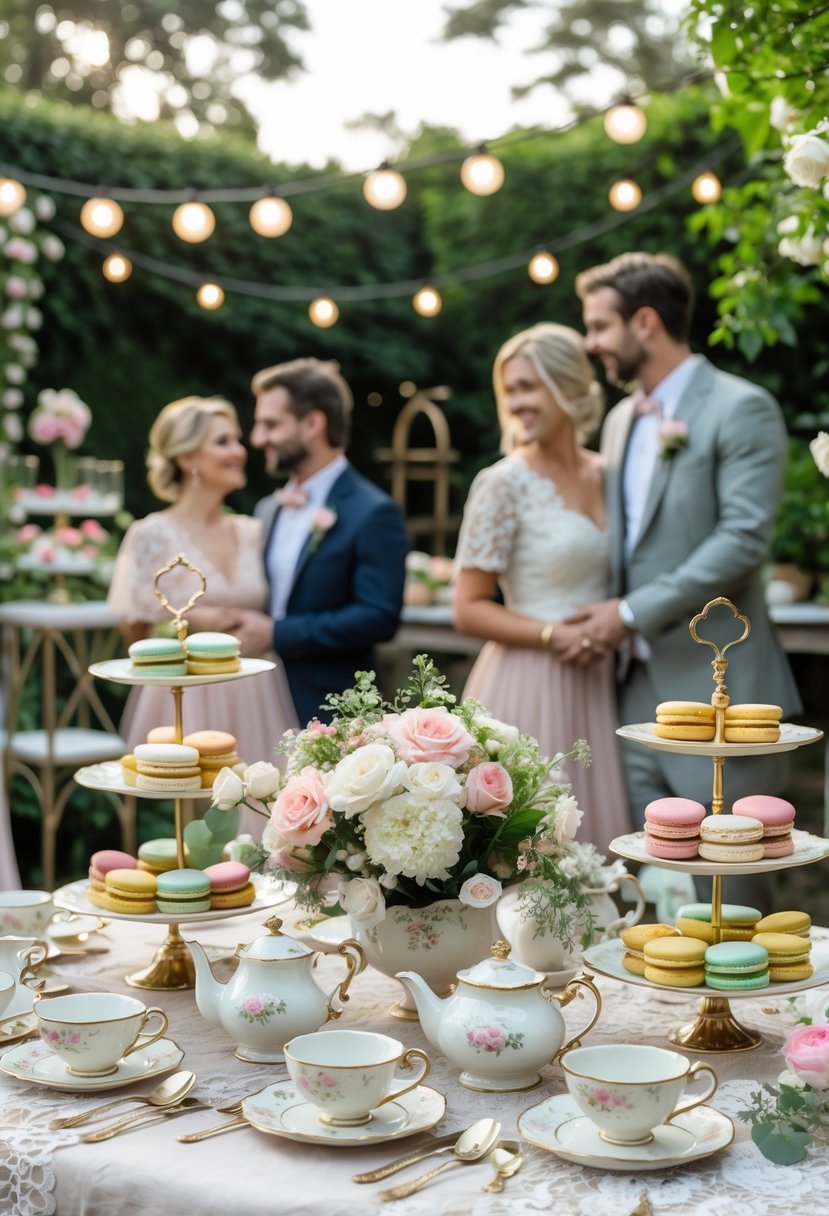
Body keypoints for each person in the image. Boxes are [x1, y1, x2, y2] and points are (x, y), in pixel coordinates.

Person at [569, 251, 802, 832]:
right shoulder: (621, 420)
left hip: (724, 693)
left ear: (644, 322)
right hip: (630, 691)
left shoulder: (740, 406)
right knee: (642, 866)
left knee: (733, 877)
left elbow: (744, 539)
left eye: (599, 325)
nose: (590, 341)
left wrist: (628, 613)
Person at [452, 323, 630, 852]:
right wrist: (554, 634)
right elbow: (468, 608)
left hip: (595, 682)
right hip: (526, 682)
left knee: (591, 852)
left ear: (572, 387)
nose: (517, 403)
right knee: (528, 851)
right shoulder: (502, 482)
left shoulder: (611, 475)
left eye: (529, 386)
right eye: (510, 391)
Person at [107, 396, 299, 835]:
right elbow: (134, 635)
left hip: (256, 687)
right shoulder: (150, 535)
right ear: (188, 455)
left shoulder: (255, 531)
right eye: (224, 441)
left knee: (264, 815)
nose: (240, 450)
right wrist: (197, 621)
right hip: (184, 695)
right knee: (189, 823)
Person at [223, 357, 409, 726]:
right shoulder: (268, 509)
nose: (258, 438)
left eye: (271, 424)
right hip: (252, 699)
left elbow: (379, 617)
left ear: (312, 423)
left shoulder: (373, 511)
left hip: (330, 710)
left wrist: (277, 633)